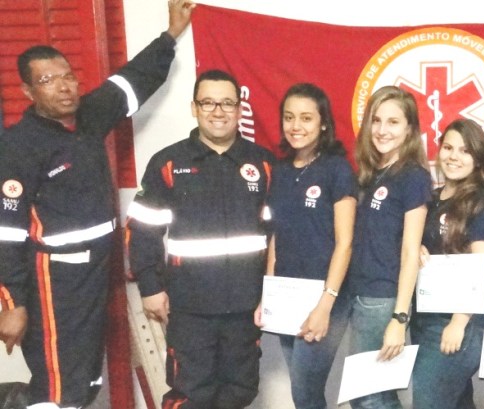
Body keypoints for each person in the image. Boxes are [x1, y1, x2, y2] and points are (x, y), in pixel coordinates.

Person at [0, 1, 193, 406]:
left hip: (97, 274)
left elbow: (131, 82)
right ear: (29, 91)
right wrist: (13, 305)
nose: (65, 86)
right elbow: (7, 233)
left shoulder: (88, 116)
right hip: (55, 282)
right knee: (57, 382)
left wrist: (171, 34)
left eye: (68, 76)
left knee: (85, 380)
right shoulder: (18, 147)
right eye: (49, 80)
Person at [126, 69, 276, 409]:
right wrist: (150, 288)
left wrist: (272, 293)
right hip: (188, 307)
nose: (218, 111)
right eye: (208, 102)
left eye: (227, 103)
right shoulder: (168, 162)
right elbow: (142, 228)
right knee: (191, 393)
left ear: (240, 109)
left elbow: (276, 236)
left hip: (245, 306)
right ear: (194, 107)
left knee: (240, 390)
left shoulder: (262, 164)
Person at [253, 83, 356, 409]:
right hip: (286, 296)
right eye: (289, 117)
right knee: (303, 394)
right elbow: (276, 238)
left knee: (306, 390)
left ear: (323, 123)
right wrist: (268, 294)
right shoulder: (280, 171)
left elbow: (346, 243)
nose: (296, 126)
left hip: (325, 297)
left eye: (306, 118)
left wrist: (325, 305)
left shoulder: (337, 169)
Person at [346, 85, 431, 409]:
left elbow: (411, 251)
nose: (382, 130)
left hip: (382, 300)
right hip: (359, 293)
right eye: (377, 121)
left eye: (393, 122)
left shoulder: (413, 176)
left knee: (369, 396)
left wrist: (399, 317)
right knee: (373, 394)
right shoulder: (369, 175)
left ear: (410, 128)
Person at [411, 119, 484, 409]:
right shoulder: (433, 198)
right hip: (425, 315)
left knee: (428, 402)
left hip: (458, 320)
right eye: (448, 147)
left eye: (465, 151)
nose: (453, 156)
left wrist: (458, 321)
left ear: (478, 159)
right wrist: (419, 248)